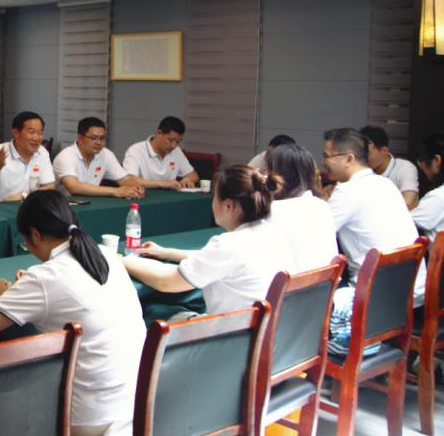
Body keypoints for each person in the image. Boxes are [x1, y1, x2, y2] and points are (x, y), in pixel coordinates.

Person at [0, 191, 145, 436]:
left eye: (26, 242)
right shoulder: (107, 255)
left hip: (85, 420)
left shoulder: (45, 277)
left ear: (35, 235)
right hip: (135, 406)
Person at [123, 165, 293, 315]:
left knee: (154, 311)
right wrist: (166, 252)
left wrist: (121, 261)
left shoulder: (228, 245)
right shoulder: (273, 234)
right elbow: (211, 259)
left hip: (229, 336)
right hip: (266, 334)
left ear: (228, 206)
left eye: (215, 197)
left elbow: (166, 282)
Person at [322, 128, 424, 298]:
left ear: (349, 159)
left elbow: (317, 234)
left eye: (326, 156)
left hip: (376, 296)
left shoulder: (348, 191)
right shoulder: (385, 183)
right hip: (412, 289)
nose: (322, 162)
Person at [265, 143, 339, 271]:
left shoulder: (272, 210)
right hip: (324, 282)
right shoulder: (322, 206)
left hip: (291, 282)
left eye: (267, 171)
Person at [52, 118, 146, 199]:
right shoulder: (66, 156)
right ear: (80, 138)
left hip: (92, 203)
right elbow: (74, 187)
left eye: (102, 138)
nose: (98, 142)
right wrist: (117, 191)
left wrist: (136, 187)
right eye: (94, 138)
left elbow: (124, 179)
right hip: (64, 207)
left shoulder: (105, 154)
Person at [0, 112, 57, 202]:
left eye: (40, 133)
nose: (36, 138)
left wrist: (24, 195)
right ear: (16, 133)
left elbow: (49, 187)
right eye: (31, 132)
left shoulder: (42, 152)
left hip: (27, 207)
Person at [121, 116, 199, 188]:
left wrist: (188, 179)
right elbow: (129, 180)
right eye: (171, 140)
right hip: (143, 196)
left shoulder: (177, 151)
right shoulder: (136, 150)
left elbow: (194, 175)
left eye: (178, 142)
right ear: (159, 133)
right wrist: (162, 183)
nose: (174, 146)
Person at [360, 125, 419, 210]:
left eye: (367, 153)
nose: (363, 158)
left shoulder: (405, 168)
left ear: (384, 151)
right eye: (361, 154)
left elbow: (409, 202)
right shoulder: (361, 170)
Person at [411, 133, 444, 239]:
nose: (421, 167)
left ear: (437, 160)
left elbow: (404, 221)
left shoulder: (438, 197)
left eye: (421, 160)